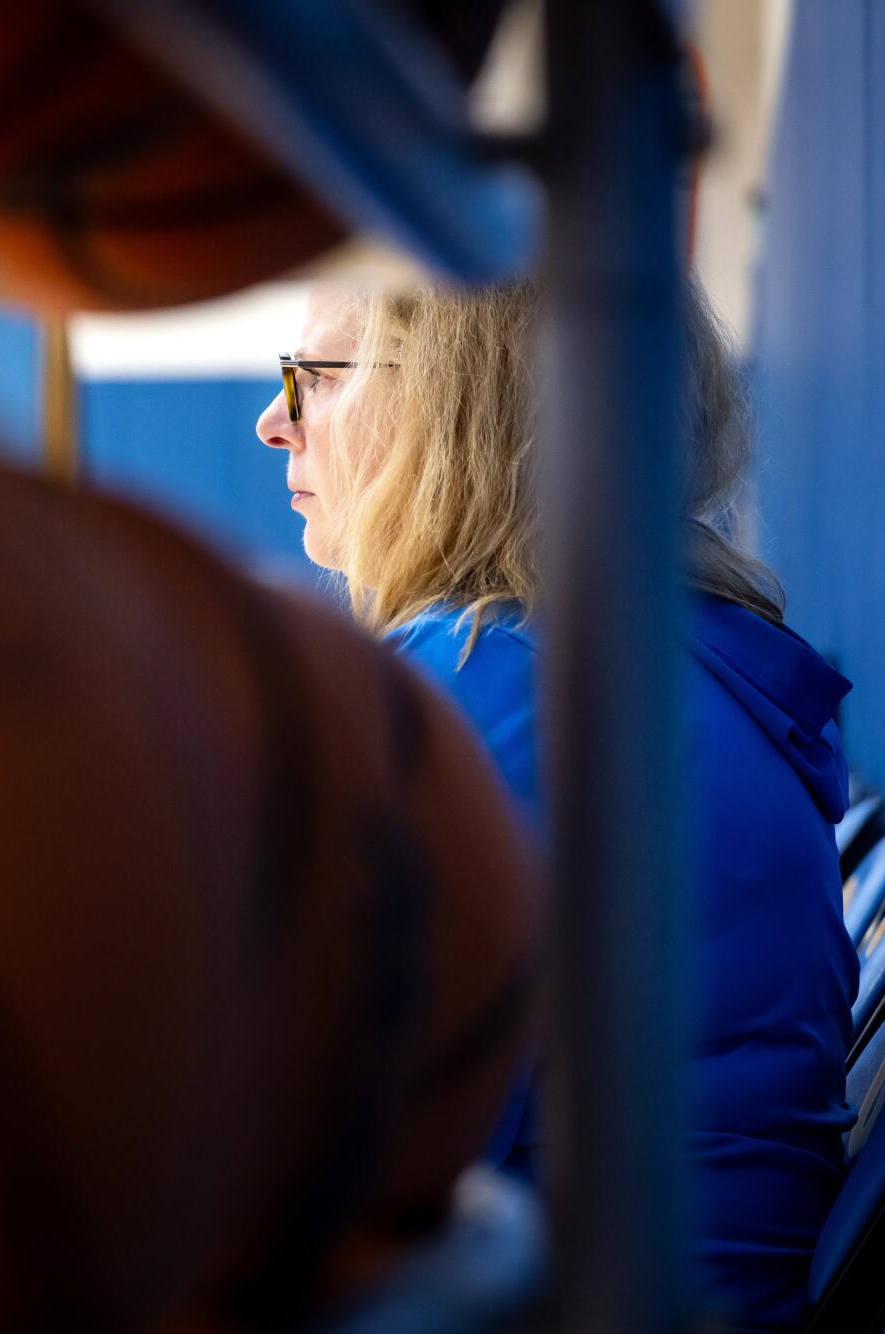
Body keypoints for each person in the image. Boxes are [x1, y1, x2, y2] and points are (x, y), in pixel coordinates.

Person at [254, 276, 856, 1333]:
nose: (273, 423)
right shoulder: (676, 656)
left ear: (448, 404)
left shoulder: (488, 686)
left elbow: (328, 1178)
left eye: (312, 378)